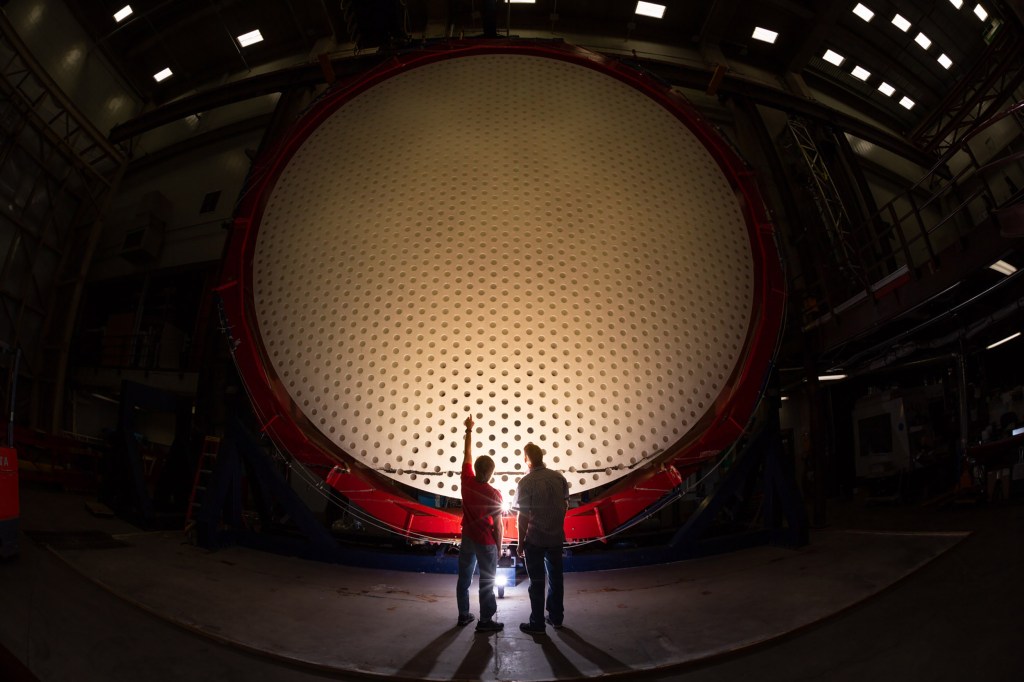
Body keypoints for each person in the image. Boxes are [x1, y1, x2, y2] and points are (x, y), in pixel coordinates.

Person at [456, 415, 504, 633]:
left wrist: (468, 430)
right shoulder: (494, 493)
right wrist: (500, 547)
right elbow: (499, 525)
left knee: (464, 577)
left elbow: (467, 453)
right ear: (491, 473)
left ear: (475, 468)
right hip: (485, 542)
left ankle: (463, 615)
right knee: (486, 580)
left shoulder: (466, 481)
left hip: (467, 537)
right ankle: (485, 620)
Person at [515, 442, 569, 635]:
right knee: (556, 580)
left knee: (536, 582)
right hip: (555, 538)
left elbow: (523, 516)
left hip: (535, 540)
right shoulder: (558, 477)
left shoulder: (526, 482)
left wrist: (520, 543)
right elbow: (565, 504)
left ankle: (537, 623)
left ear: (526, 460)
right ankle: (556, 618)